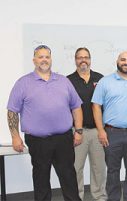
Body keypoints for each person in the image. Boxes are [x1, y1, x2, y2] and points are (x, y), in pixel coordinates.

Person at [7, 45, 83, 201]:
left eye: (47, 57)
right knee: (41, 179)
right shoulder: (23, 83)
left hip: (63, 139)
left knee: (69, 177)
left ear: (51, 59)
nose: (44, 60)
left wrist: (79, 131)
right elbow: (12, 111)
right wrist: (15, 136)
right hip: (37, 141)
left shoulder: (63, 81)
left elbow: (76, 106)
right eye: (40, 57)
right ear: (34, 60)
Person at [91, 51, 127, 201]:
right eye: (123, 60)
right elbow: (96, 106)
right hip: (111, 133)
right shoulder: (105, 82)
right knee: (112, 171)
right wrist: (100, 130)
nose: (126, 62)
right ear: (117, 62)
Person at [67, 47, 107, 201]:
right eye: (79, 57)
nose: (83, 60)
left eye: (86, 57)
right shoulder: (68, 80)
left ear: (90, 59)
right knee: (76, 168)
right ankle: (77, 197)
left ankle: (100, 197)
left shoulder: (100, 78)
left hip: (98, 131)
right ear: (75, 60)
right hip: (78, 132)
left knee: (99, 168)